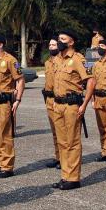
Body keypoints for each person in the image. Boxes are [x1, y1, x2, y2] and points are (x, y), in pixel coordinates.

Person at [52, 30, 95, 190]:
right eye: (59, 38)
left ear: (71, 42)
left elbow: (90, 82)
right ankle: (65, 175)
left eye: (63, 39)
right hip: (59, 105)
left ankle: (73, 178)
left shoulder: (78, 59)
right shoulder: (57, 59)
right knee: (62, 142)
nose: (59, 41)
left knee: (72, 142)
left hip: (72, 106)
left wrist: (84, 104)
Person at [0, 33, 24, 178]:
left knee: (5, 135)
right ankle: (0, 164)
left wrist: (18, 100)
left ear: (0, 45)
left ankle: (7, 167)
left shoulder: (10, 60)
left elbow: (20, 80)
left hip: (4, 103)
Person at [42, 37, 61, 169]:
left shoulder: (63, 62)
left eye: (54, 45)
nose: (51, 47)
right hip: (49, 99)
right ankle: (58, 156)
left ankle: (64, 158)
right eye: (50, 44)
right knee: (54, 131)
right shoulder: (47, 62)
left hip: (59, 99)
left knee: (62, 131)